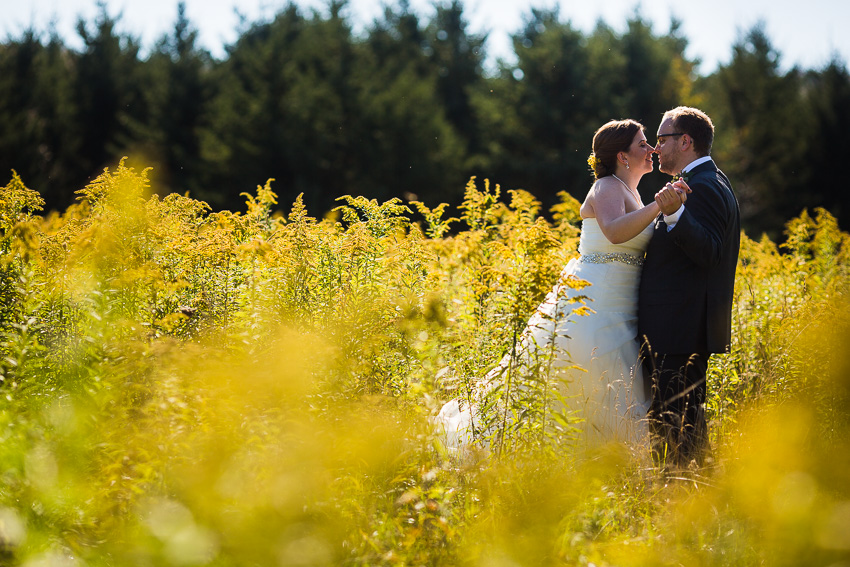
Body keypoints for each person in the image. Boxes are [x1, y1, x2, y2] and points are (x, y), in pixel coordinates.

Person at [437, 119, 688, 450]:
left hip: (621, 304)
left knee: (613, 385)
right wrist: (660, 204)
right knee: (586, 374)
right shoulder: (606, 187)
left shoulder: (632, 192)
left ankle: (601, 467)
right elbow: (613, 232)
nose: (652, 149)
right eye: (643, 144)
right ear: (622, 157)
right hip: (593, 303)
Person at [638, 106, 741, 468]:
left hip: (680, 328)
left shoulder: (707, 186)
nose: (654, 148)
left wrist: (675, 215)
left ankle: (678, 500)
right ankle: (697, 496)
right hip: (678, 326)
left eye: (661, 139)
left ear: (685, 141)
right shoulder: (704, 181)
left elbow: (710, 252)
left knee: (674, 424)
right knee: (686, 424)